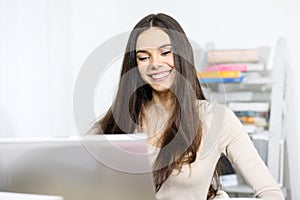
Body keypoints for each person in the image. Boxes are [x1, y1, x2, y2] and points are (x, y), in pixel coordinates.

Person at [88, 13, 285, 200]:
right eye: (143, 57)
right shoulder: (114, 124)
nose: (155, 64)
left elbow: (271, 193)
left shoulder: (216, 119)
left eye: (165, 53)